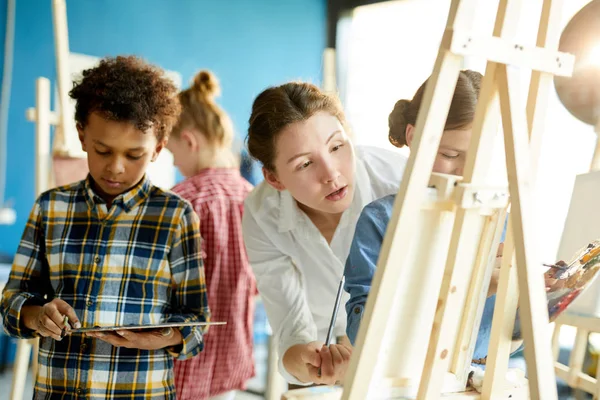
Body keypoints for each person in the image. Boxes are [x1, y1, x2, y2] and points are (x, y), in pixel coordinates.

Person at [0, 55, 210, 399]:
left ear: (158, 148)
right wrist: (38, 316)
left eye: (133, 155)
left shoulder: (176, 216)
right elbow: (11, 302)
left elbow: (196, 323)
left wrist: (158, 337)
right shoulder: (50, 207)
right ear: (82, 136)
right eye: (102, 150)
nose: (115, 167)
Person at [344, 70, 524, 366]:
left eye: (479, 155)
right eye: (451, 154)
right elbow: (362, 332)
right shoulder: (383, 220)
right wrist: (471, 289)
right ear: (414, 137)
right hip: (405, 378)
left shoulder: (497, 219)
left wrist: (532, 301)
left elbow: (503, 340)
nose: (465, 171)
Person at [242, 81, 408, 386]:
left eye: (336, 146)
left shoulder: (399, 182)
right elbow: (290, 322)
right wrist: (298, 357)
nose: (332, 173)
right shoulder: (261, 213)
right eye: (305, 163)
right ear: (274, 178)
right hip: (324, 353)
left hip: (406, 346)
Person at [167, 69, 256, 400]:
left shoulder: (182, 200)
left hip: (182, 363)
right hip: (230, 358)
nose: (176, 162)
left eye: (173, 154)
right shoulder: (254, 199)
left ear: (189, 141)